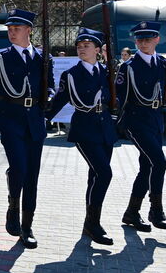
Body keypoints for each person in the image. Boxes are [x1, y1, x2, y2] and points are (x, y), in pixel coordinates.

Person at [0, 8, 54, 249]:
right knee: (19, 167)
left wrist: (50, 96)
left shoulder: (43, 57)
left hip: (35, 119)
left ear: (29, 30)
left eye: (17, 29)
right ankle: (13, 205)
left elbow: (49, 86)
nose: (12, 32)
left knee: (32, 175)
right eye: (9, 29)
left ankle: (27, 226)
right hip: (10, 118)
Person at [46, 28, 116, 245]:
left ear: (98, 49)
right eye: (79, 46)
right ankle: (94, 224)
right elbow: (58, 100)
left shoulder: (108, 72)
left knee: (95, 176)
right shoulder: (71, 75)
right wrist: (43, 118)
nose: (82, 48)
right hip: (84, 128)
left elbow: (117, 97)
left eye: (87, 45)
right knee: (104, 173)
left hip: (105, 128)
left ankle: (90, 223)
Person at [117, 21, 166, 232]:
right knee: (159, 163)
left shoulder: (163, 63)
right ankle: (156, 210)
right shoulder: (128, 66)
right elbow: (120, 95)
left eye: (147, 39)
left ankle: (132, 212)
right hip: (136, 120)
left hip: (155, 119)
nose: (143, 43)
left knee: (147, 167)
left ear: (157, 39)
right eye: (139, 40)